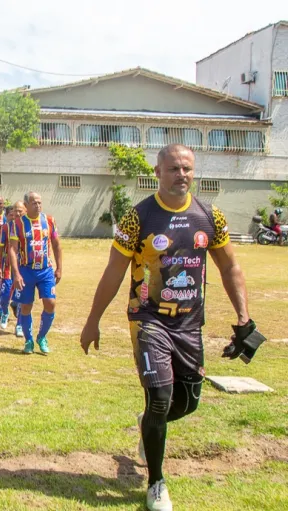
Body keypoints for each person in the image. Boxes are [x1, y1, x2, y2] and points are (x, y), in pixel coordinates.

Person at [79, 144, 263, 511]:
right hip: (148, 319)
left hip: (190, 323)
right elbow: (114, 271)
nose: (182, 175)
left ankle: (148, 423)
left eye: (188, 169)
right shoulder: (138, 217)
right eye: (174, 168)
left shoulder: (209, 216)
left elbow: (230, 268)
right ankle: (157, 482)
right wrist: (92, 320)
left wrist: (244, 317)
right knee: (161, 398)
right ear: (158, 172)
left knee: (187, 403)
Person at [7, 192, 62, 354]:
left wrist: (59, 267)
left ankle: (42, 337)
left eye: (39, 202)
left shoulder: (49, 221)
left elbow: (57, 245)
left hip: (45, 270)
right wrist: (16, 273)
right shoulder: (17, 224)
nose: (38, 205)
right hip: (26, 271)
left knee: (50, 303)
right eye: (34, 203)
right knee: (26, 306)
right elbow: (12, 249)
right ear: (26, 205)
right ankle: (29, 340)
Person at [0, 204, 22, 330]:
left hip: (22, 265)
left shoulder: (24, 227)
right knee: (6, 292)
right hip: (6, 265)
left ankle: (20, 322)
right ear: (6, 216)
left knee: (21, 294)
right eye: (11, 215)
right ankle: (4, 312)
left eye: (17, 214)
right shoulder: (3, 229)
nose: (14, 217)